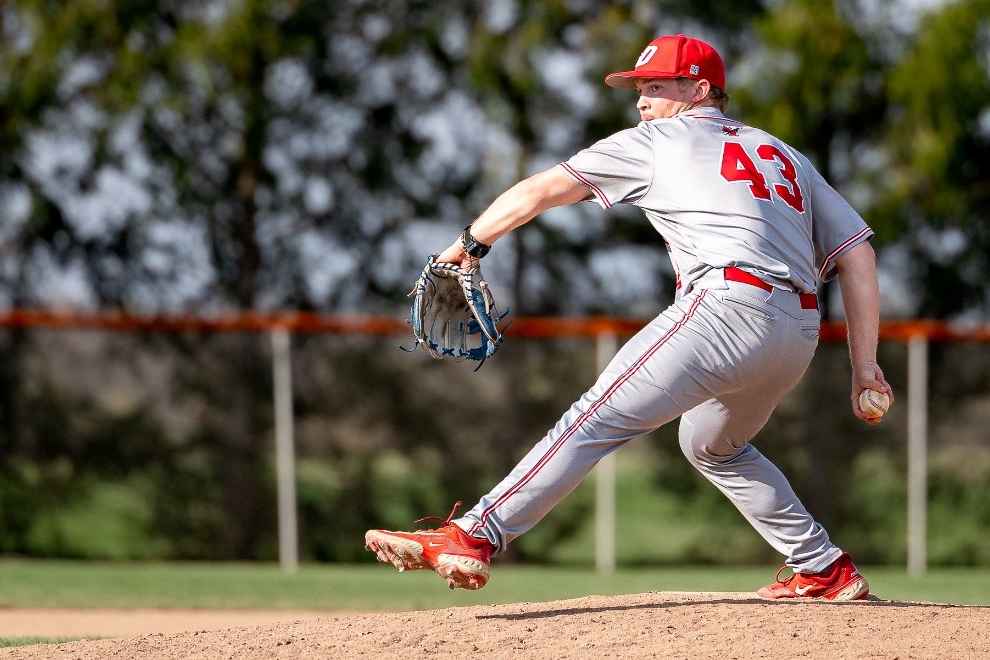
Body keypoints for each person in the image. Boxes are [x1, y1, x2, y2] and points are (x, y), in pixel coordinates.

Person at [365, 33, 891, 600]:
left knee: (592, 417)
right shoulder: (784, 153)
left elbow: (543, 190)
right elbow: (857, 252)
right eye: (638, 88)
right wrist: (865, 366)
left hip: (725, 308)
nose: (642, 100)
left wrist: (468, 244)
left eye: (657, 86)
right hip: (797, 332)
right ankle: (823, 567)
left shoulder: (659, 140)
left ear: (701, 88)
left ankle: (474, 535)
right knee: (713, 444)